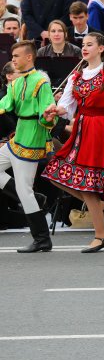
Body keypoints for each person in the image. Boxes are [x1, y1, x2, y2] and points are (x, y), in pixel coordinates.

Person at [42, 33, 104, 253]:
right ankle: (101, 207)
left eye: (89, 45)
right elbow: (66, 106)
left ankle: (101, 235)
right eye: (83, 45)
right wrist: (55, 109)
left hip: (98, 127)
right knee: (55, 172)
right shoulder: (76, 76)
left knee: (89, 181)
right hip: (81, 127)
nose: (84, 48)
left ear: (101, 48)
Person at [0, 41, 55, 252]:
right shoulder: (16, 83)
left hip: (33, 136)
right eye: (12, 56)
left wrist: (48, 115)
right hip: (19, 135)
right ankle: (37, 200)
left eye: (16, 56)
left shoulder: (41, 82)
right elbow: (6, 103)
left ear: (29, 57)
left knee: (25, 191)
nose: (12, 59)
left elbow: (46, 112)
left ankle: (42, 238)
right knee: (24, 191)